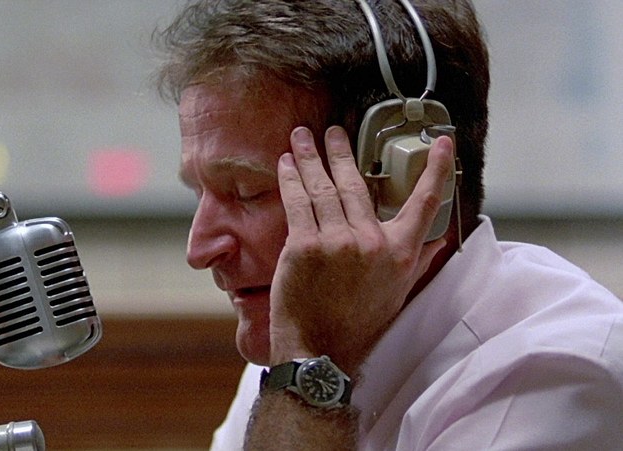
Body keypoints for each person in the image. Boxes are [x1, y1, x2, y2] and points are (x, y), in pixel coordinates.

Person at [153, 0, 623, 449]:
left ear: (404, 184)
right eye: (199, 193)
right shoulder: (301, 330)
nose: (200, 249)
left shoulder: (554, 374)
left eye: (246, 192)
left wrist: (310, 360)